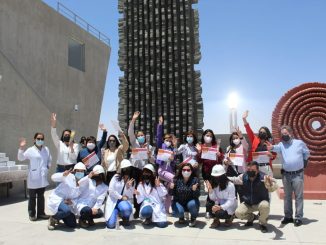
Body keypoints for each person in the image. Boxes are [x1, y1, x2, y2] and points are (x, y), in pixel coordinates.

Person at [268, 125, 310, 227]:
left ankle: (298, 217)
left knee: (299, 196)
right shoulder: (281, 145)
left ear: (290, 133)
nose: (284, 135)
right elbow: (274, 148)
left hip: (298, 174)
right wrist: (271, 147)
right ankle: (288, 216)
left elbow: (307, 153)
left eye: (285, 133)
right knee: (287, 197)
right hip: (286, 175)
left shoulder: (299, 143)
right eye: (282, 134)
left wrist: (304, 162)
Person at [229, 161, 278, 233]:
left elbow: (273, 188)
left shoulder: (263, 177)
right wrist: (224, 177)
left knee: (265, 206)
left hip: (260, 203)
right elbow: (235, 179)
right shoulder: (244, 176)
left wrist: (270, 184)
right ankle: (252, 217)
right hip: (248, 203)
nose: (250, 172)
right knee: (238, 213)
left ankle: (262, 224)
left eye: (253, 170)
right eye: (249, 170)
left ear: (257, 170)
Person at [17, 133, 52, 221]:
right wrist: (21, 148)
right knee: (32, 197)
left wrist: (48, 166)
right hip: (33, 177)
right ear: (34, 139)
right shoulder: (30, 150)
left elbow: (49, 159)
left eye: (42, 138)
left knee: (41, 196)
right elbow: (21, 158)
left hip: (42, 177)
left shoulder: (46, 149)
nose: (40, 140)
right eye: (38, 138)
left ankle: (41, 214)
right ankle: (32, 214)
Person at [128, 111, 155, 218]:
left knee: (145, 189)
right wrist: (133, 119)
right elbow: (130, 132)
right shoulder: (134, 143)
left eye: (142, 135)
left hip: (145, 171)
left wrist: (149, 155)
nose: (140, 137)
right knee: (135, 189)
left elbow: (153, 161)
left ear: (145, 136)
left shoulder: (150, 147)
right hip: (134, 169)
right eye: (138, 135)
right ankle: (137, 208)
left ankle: (146, 206)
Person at [47, 162, 86, 230]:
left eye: (82, 171)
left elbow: (78, 198)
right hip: (58, 199)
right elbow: (53, 177)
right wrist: (62, 175)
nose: (80, 173)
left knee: (72, 224)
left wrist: (72, 202)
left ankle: (59, 216)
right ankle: (53, 219)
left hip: (67, 204)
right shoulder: (69, 176)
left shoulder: (83, 183)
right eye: (78, 171)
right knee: (66, 211)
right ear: (74, 171)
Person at [197, 129, 224, 219]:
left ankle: (217, 210)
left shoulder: (216, 146)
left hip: (217, 173)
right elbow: (199, 161)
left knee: (217, 192)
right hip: (207, 173)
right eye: (207, 135)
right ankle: (208, 211)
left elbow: (221, 159)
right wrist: (199, 152)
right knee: (209, 191)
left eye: (210, 136)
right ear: (204, 136)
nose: (208, 137)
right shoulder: (201, 146)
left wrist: (219, 155)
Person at [242, 110, 276, 176]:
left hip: (266, 167)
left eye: (263, 132)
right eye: (260, 132)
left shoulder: (270, 143)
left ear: (267, 134)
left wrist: (271, 156)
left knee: (267, 185)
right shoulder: (255, 139)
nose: (261, 133)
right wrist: (244, 119)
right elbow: (248, 129)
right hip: (255, 168)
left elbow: (274, 155)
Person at [105, 159, 135, 229]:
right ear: (122, 169)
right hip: (113, 201)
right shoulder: (116, 177)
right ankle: (116, 213)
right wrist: (120, 197)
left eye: (128, 168)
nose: (127, 170)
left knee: (127, 209)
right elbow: (111, 190)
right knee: (111, 225)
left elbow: (130, 196)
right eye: (125, 169)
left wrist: (128, 187)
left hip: (123, 203)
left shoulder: (132, 180)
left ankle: (124, 217)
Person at [156, 115, 177, 214]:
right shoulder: (161, 146)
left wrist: (173, 158)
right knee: (174, 179)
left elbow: (174, 161)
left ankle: (166, 210)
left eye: (170, 140)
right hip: (162, 170)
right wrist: (160, 125)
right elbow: (159, 136)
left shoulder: (172, 149)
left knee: (169, 193)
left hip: (170, 171)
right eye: (166, 140)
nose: (168, 141)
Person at [169, 163, 200, 227]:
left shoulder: (195, 180)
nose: (186, 171)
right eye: (184, 170)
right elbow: (171, 193)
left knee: (192, 204)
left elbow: (197, 195)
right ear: (181, 171)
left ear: (191, 171)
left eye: (188, 170)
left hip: (190, 202)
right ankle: (181, 216)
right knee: (178, 213)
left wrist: (195, 190)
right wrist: (171, 188)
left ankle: (193, 218)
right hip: (179, 202)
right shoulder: (176, 179)